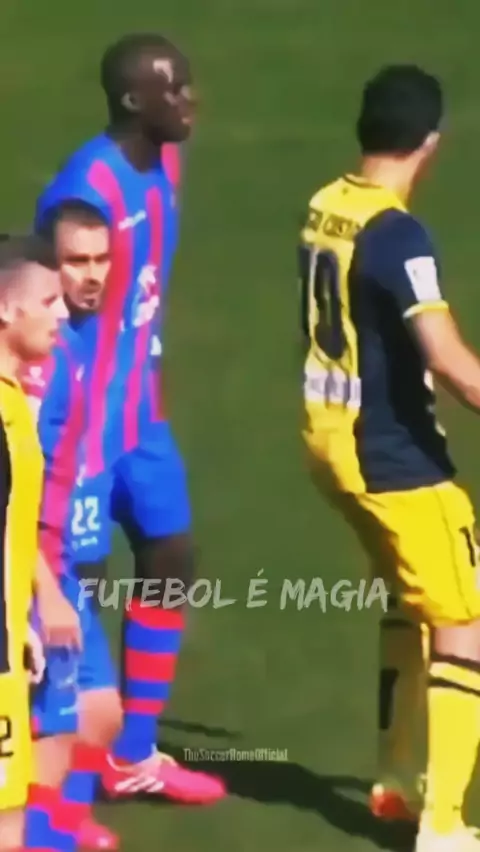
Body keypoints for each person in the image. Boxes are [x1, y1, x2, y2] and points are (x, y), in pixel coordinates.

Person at [34, 31, 226, 849]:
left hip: (139, 414)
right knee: (74, 602)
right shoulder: (86, 187)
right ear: (132, 101)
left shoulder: (165, 163)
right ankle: (60, 799)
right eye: (173, 90)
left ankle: (133, 754)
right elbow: (44, 300)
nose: (190, 101)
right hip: (82, 426)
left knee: (171, 552)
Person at [299, 64, 480, 852]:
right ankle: (443, 823)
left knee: (410, 605)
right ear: (430, 144)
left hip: (330, 444)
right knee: (465, 623)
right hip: (393, 458)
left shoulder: (325, 206)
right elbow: (448, 359)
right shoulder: (399, 236)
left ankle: (394, 784)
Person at [19, 204, 122, 852]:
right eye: (73, 264)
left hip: (53, 560)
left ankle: (56, 825)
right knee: (52, 737)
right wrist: (44, 591)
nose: (89, 277)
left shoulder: (71, 347)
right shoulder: (32, 375)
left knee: (99, 713)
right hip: (32, 569)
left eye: (100, 259)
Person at [0, 235, 66, 852]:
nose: (63, 312)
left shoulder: (13, 397)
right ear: (6, 308)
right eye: (49, 301)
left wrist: (19, 614)